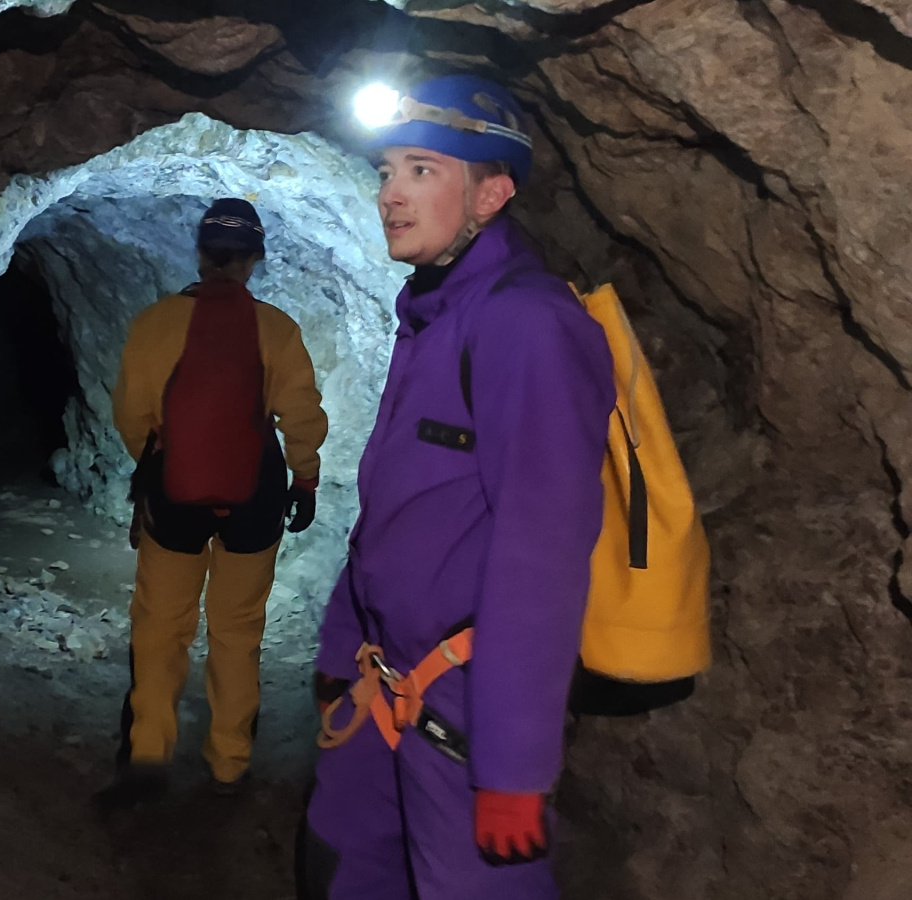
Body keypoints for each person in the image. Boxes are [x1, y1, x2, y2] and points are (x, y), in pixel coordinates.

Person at [301, 75, 616, 898]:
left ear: (492, 193)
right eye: (385, 172)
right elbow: (395, 515)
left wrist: (512, 769)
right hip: (383, 690)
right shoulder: (429, 317)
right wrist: (343, 649)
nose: (390, 195)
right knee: (341, 871)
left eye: (421, 171)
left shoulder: (528, 324)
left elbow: (542, 554)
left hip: (463, 717)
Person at [99, 198, 328, 807]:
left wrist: (154, 470)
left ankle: (148, 756)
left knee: (160, 627)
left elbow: (132, 415)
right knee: (236, 630)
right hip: (255, 501)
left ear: (200, 255)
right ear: (254, 260)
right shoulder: (276, 329)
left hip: (173, 500)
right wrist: (304, 479)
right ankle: (229, 762)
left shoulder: (155, 324)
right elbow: (301, 416)